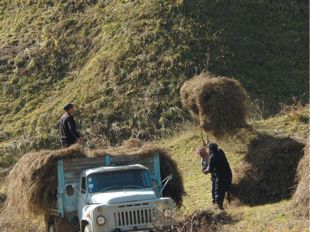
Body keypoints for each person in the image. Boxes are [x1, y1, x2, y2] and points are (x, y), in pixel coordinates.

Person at [197, 143, 232, 210]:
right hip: (228, 173)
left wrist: (204, 171)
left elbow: (209, 170)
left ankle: (220, 208)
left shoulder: (212, 158)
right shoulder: (221, 152)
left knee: (218, 192)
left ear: (210, 150)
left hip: (220, 176)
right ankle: (230, 203)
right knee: (228, 188)